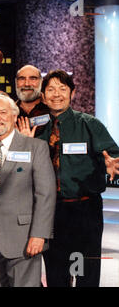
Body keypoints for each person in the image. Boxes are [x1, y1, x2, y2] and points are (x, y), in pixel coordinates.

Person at [34, 69, 119, 287]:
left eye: (63, 89)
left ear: (72, 93)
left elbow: (114, 157)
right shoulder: (37, 128)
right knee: (56, 274)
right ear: (43, 96)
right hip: (50, 212)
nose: (57, 94)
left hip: (84, 211)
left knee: (83, 272)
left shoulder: (89, 125)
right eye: (51, 89)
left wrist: (113, 164)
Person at [0, 94, 56, 287]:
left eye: (3, 112)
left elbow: (46, 195)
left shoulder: (35, 147)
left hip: (24, 238)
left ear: (15, 116)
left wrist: (39, 234)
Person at [15, 65, 50, 137]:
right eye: (22, 79)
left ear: (41, 82)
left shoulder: (52, 111)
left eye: (33, 79)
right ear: (16, 82)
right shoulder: (8, 112)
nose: (27, 84)